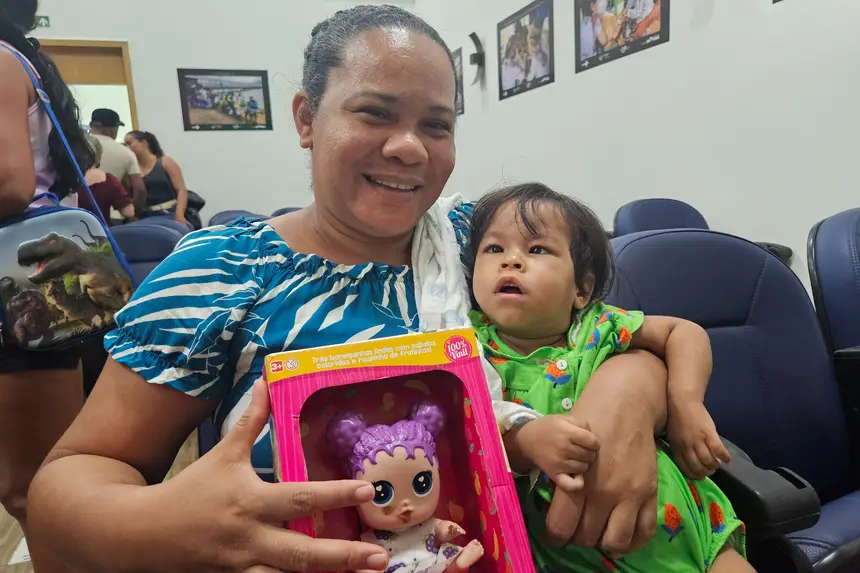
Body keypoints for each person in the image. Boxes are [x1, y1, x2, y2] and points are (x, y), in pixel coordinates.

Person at [29, 6, 670, 571]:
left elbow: (608, 334)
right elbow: (71, 481)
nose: (409, 147)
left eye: (437, 125)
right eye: (374, 113)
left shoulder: (482, 243)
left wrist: (626, 392)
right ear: (307, 118)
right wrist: (171, 525)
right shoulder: (225, 270)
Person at [467, 184, 752, 573]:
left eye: (537, 250)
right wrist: (525, 443)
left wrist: (686, 403)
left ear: (582, 289)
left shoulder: (599, 325)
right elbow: (471, 443)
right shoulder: (467, 349)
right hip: (576, 556)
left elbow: (682, 332)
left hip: (687, 525)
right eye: (494, 249)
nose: (511, 261)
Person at [0, 0, 94, 538]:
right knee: (37, 484)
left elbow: (11, 183)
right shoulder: (20, 61)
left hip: (22, 279)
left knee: (33, 487)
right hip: (37, 275)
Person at [124, 130, 190, 226]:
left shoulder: (165, 162)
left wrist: (179, 215)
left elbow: (181, 190)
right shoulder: (131, 170)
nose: (127, 148)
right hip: (145, 217)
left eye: (129, 143)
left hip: (169, 213)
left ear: (144, 143)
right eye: (125, 145)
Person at [88, 107, 146, 211]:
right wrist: (133, 213)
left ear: (91, 125)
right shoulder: (126, 152)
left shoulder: (75, 147)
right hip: (114, 213)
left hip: (80, 214)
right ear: (112, 130)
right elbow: (140, 189)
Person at [77, 133, 135, 224]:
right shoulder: (109, 180)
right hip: (101, 230)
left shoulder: (63, 180)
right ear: (98, 155)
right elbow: (128, 212)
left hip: (69, 231)